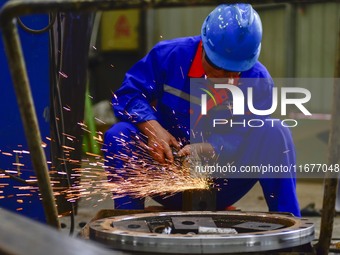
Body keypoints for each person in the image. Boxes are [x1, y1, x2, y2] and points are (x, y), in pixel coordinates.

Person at [103, 3, 301, 216]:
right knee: (118, 134)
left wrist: (212, 148)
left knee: (275, 131)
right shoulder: (169, 57)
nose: (228, 78)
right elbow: (128, 95)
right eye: (220, 68)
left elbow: (243, 134)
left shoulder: (258, 80)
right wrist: (154, 130)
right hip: (164, 177)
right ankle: (128, 224)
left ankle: (290, 226)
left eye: (237, 72)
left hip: (223, 184)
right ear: (205, 47)